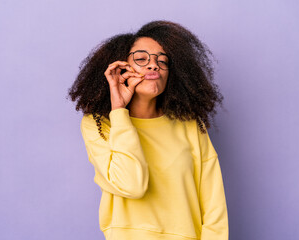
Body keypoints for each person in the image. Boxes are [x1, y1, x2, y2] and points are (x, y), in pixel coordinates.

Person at [69, 20, 228, 240]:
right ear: (120, 68)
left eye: (162, 61)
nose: (154, 66)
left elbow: (214, 205)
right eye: (142, 59)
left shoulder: (190, 124)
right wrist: (119, 110)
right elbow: (131, 185)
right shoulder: (98, 124)